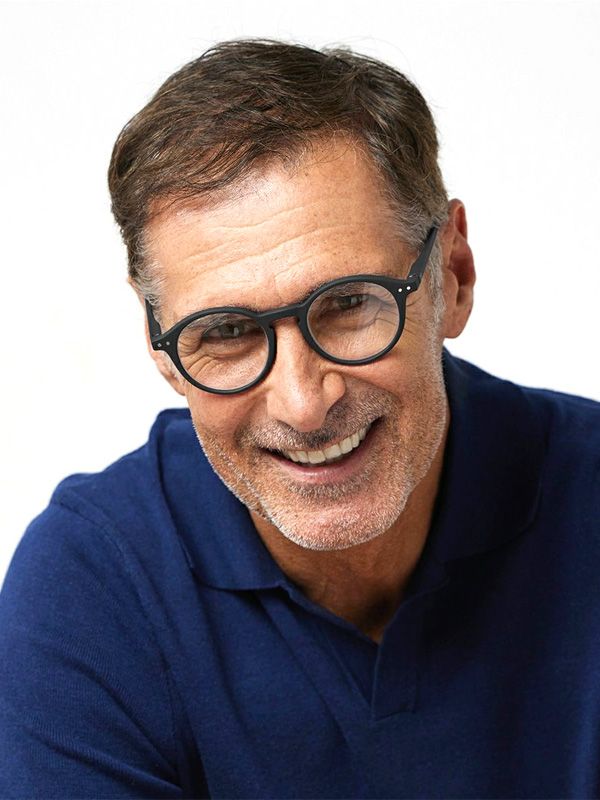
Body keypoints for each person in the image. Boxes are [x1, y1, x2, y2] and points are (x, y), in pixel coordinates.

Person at [1, 38, 599, 800]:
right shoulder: (92, 588)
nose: (304, 402)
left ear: (452, 275)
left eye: (348, 304)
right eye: (225, 331)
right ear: (159, 344)